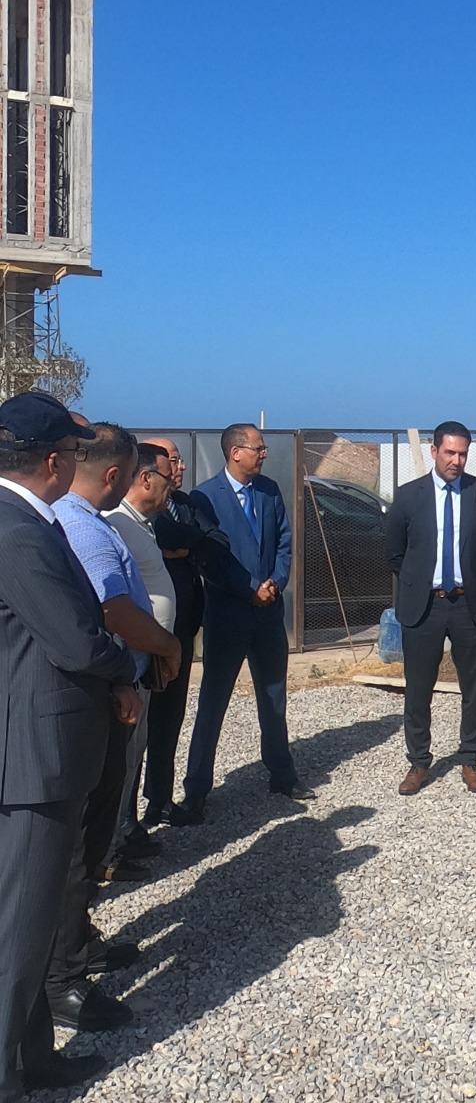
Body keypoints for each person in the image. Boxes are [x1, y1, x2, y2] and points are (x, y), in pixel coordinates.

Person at [0, 393, 136, 1101]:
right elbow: (74, 639)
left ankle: (33, 1061)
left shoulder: (26, 520)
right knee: (22, 932)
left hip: (36, 749)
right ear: (53, 461)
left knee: (28, 923)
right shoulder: (17, 531)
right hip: (33, 758)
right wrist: (124, 670)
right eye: (75, 453)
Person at [47, 424, 180, 1034]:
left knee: (94, 831)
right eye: (129, 473)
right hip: (98, 698)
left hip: (113, 690)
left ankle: (78, 941)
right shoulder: (81, 526)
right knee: (82, 840)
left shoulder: (87, 521)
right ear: (112, 474)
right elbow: (112, 610)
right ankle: (63, 976)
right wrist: (165, 645)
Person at [182, 423, 312, 820]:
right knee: (213, 702)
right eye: (258, 448)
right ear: (235, 452)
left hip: (268, 615)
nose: (264, 454)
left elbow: (285, 542)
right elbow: (209, 559)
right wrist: (250, 588)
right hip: (227, 617)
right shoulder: (205, 497)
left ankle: (282, 774)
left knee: (273, 698)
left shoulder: (269, 491)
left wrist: (275, 582)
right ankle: (197, 789)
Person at [385, 421, 476, 795]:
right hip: (425, 606)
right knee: (419, 688)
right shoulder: (409, 497)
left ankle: (470, 758)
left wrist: (472, 582)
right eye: (450, 452)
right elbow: (394, 552)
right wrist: (421, 582)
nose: (456, 460)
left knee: (473, 686)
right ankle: (419, 761)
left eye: (463, 454)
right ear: (434, 451)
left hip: (469, 605)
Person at [140, 437, 237, 827]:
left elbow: (218, 541)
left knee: (169, 719)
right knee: (138, 727)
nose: (179, 468)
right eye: (172, 462)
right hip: (144, 635)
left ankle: (159, 799)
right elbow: (165, 536)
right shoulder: (133, 512)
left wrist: (187, 544)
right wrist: (185, 541)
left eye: (180, 461)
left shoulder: (186, 504)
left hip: (181, 633)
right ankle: (124, 817)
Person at [103, 443, 177, 859]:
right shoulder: (117, 523)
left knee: (136, 751)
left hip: (147, 660)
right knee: (123, 753)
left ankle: (125, 830)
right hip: (129, 660)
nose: (172, 484)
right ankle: (110, 844)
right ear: (146, 478)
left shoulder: (141, 523)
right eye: (166, 477)